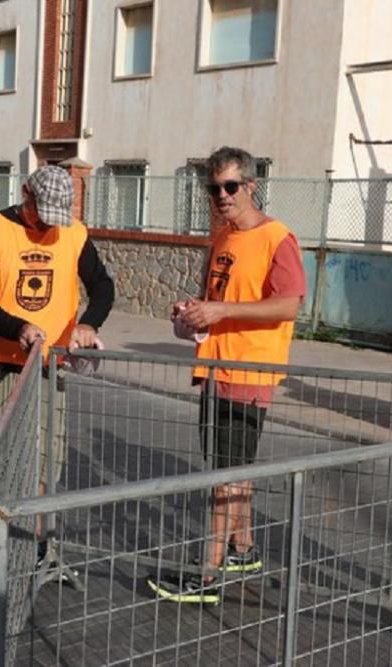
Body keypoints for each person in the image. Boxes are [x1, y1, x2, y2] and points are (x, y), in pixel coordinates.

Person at [0, 165, 115, 603]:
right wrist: (17, 327)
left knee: (45, 463)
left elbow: (103, 287)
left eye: (56, 217)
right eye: (40, 213)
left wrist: (88, 325)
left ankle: (40, 550)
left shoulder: (73, 233)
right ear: (25, 193)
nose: (46, 225)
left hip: (47, 367)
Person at [148, 146, 306, 604]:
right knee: (234, 468)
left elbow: (289, 303)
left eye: (230, 187)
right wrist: (193, 313)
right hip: (215, 367)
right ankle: (244, 549)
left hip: (249, 371)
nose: (221, 196)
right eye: (213, 188)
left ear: (251, 186)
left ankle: (207, 576)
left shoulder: (278, 238)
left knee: (223, 475)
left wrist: (222, 309)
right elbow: (213, 298)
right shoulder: (222, 238)